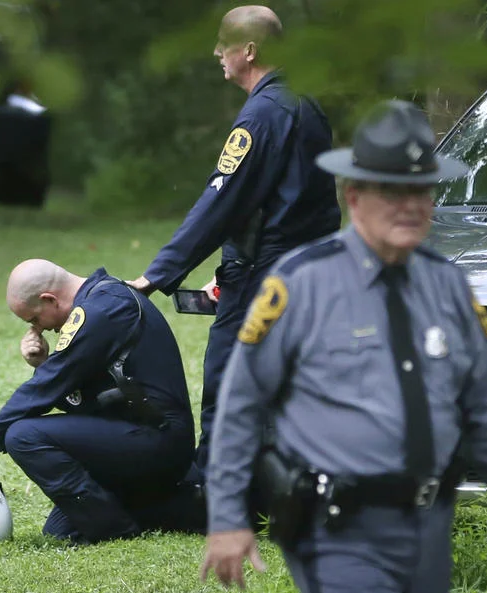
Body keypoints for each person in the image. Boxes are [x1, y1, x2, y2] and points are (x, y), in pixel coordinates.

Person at [199, 100, 487, 593]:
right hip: (336, 527)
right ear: (354, 196)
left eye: (422, 190)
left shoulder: (450, 287)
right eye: (393, 191)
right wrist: (228, 515)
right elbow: (241, 404)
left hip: (430, 524)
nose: (411, 205)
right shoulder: (301, 285)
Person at [128, 5, 342, 471]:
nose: (216, 52)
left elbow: (221, 202)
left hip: (264, 275)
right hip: (311, 270)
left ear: (249, 50)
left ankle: (215, 491)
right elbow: (317, 203)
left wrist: (156, 275)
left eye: (223, 43)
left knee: (228, 380)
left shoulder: (262, 115)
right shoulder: (308, 104)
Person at [0, 259, 205, 544]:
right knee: (61, 530)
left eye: (34, 319)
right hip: (137, 435)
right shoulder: (101, 301)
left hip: (159, 441)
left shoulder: (101, 311)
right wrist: (44, 363)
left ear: (49, 299)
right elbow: (85, 403)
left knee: (23, 436)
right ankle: (181, 504)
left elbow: (45, 388)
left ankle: (116, 530)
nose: (39, 329)